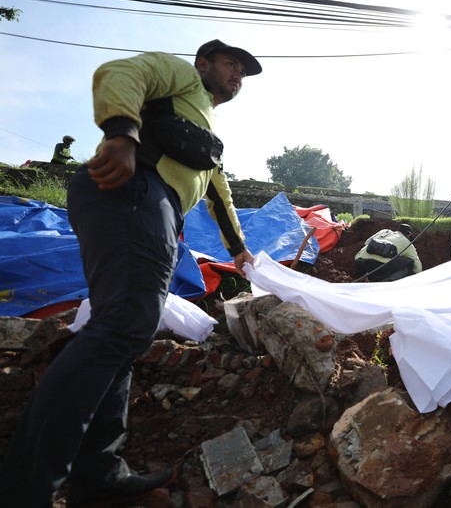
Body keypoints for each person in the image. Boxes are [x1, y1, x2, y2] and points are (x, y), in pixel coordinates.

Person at [0, 39, 262, 507]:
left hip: (153, 208)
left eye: (242, 71)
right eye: (229, 64)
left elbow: (219, 195)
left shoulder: (203, 125)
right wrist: (122, 135)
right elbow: (120, 72)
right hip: (133, 190)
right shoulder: (180, 76)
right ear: (204, 63)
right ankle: (26, 489)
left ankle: (98, 471)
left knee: (123, 332)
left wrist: (239, 251)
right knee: (121, 328)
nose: (237, 74)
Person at [354, 224, 422, 281]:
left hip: (359, 261)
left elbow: (367, 242)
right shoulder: (407, 242)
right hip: (376, 266)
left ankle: (368, 277)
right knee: (409, 262)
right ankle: (386, 282)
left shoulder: (385, 231)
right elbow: (417, 267)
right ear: (409, 235)